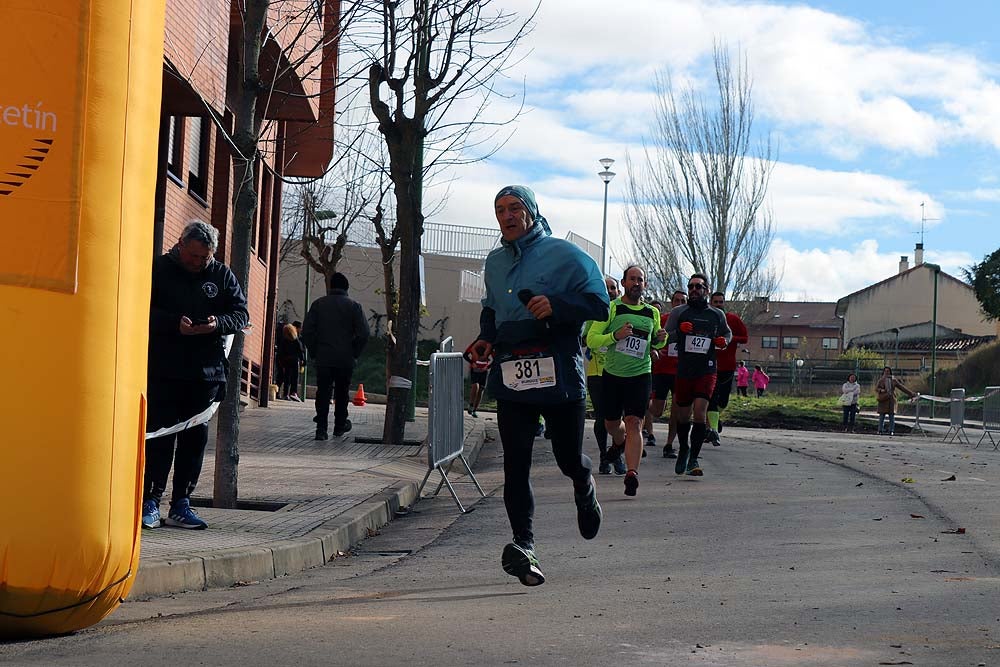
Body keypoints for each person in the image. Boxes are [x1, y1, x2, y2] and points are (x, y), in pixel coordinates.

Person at [468, 185, 609, 587]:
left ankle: (584, 485)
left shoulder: (566, 255)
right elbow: (492, 309)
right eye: (499, 210)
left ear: (531, 211)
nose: (507, 216)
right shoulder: (494, 262)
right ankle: (524, 546)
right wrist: (486, 338)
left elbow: (600, 304)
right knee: (516, 462)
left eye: (515, 208)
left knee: (567, 458)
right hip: (513, 368)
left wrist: (558, 306)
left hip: (558, 366)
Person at [142, 220, 249, 530]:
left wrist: (217, 324)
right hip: (164, 369)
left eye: (204, 257)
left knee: (194, 440)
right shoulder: (159, 269)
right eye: (192, 256)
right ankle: (151, 500)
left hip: (206, 374)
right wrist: (173, 323)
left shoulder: (220, 274)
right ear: (180, 245)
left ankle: (181, 504)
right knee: (161, 436)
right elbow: (141, 308)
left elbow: (241, 313)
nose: (198, 263)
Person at [586, 265, 667, 496]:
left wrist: (661, 339)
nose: (636, 283)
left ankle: (632, 473)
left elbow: (654, 343)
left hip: (641, 375)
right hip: (612, 375)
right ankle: (619, 443)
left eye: (640, 279)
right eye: (632, 279)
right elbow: (591, 339)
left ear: (646, 284)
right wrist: (615, 336)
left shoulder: (652, 312)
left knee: (635, 423)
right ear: (623, 283)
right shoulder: (611, 308)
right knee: (611, 424)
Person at [664, 273, 731, 477]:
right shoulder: (679, 312)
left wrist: (723, 342)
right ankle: (684, 447)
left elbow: (726, 334)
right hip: (685, 369)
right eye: (691, 286)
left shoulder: (716, 314)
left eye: (698, 287)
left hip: (707, 369)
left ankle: (694, 458)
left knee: (700, 411)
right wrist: (680, 333)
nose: (694, 290)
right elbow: (665, 337)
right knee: (683, 415)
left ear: (706, 290)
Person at [301, 272, 370, 440]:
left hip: (324, 357)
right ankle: (339, 425)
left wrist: (315, 351)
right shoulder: (354, 306)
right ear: (346, 287)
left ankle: (321, 428)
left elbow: (307, 332)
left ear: (331, 286)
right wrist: (354, 352)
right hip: (345, 359)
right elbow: (364, 333)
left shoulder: (318, 305)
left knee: (323, 392)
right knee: (342, 392)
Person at [583, 276, 622, 474]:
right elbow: (585, 339)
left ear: (619, 291)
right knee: (601, 416)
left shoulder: (625, 312)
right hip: (598, 372)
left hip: (622, 371)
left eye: (613, 288)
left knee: (619, 418)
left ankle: (616, 453)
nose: (609, 291)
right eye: (605, 288)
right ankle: (603, 456)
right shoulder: (593, 313)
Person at [646, 289, 687, 459]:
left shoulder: (691, 322)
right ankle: (642, 404)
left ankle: (669, 445)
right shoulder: (663, 320)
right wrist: (654, 350)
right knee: (657, 411)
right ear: (671, 302)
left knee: (677, 411)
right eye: (676, 300)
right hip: (662, 370)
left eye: (682, 301)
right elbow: (650, 338)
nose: (679, 304)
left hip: (681, 371)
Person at [705, 292, 749, 446]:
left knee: (723, 401)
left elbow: (745, 338)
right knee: (711, 398)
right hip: (709, 364)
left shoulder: (732, 319)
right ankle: (713, 430)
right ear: (710, 303)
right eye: (715, 302)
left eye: (721, 302)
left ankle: (714, 421)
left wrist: (729, 340)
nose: (718, 304)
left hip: (728, 366)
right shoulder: (707, 318)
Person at [642, 298, 665, 451]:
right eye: (652, 308)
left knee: (655, 409)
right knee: (643, 402)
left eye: (657, 309)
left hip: (660, 372)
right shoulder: (643, 322)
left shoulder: (664, 326)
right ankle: (649, 433)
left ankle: (644, 429)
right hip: (643, 370)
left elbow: (661, 342)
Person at [875, 366, 915, 435]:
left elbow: (902, 387)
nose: (887, 372)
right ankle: (880, 430)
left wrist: (911, 393)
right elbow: (876, 388)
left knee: (891, 416)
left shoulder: (893, 380)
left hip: (891, 400)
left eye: (888, 371)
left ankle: (891, 430)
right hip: (883, 400)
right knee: (882, 416)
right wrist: (881, 390)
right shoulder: (881, 380)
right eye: (885, 371)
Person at [276, 322, 305, 401]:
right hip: (294, 361)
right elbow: (300, 351)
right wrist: (302, 360)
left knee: (287, 378)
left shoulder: (284, 340)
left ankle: (286, 394)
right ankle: (293, 392)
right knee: (294, 378)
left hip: (286, 361)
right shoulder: (296, 340)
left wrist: (281, 362)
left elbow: (281, 352)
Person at [463, 340, 492, 417]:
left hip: (483, 371)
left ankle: (475, 410)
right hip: (474, 370)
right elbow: (465, 355)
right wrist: (472, 363)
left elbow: (495, 358)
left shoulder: (489, 345)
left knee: (481, 389)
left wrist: (487, 367)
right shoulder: (474, 344)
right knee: (475, 386)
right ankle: (471, 404)